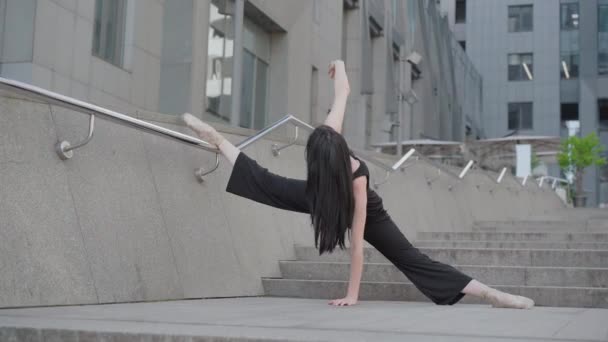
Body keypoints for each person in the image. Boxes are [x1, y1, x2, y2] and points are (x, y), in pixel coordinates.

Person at [181, 60, 534, 309]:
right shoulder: (328, 137)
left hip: (364, 212)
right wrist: (338, 64)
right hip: (321, 195)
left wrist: (353, 294)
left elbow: (358, 245)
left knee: (413, 259)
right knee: (268, 183)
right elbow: (343, 91)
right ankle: (216, 137)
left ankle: (492, 295)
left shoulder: (358, 178)